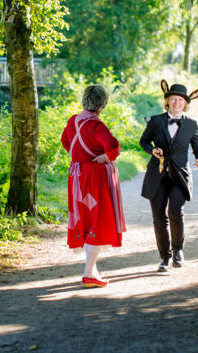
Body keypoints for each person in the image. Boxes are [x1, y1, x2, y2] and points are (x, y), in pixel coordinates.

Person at [61, 85, 126, 288]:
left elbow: (65, 141)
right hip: (95, 177)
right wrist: (106, 157)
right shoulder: (97, 126)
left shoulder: (74, 121)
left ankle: (92, 270)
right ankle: (89, 272)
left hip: (77, 175)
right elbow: (113, 146)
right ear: (103, 105)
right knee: (98, 218)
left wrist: (80, 156)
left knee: (87, 218)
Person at [139, 80, 198, 272]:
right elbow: (143, 141)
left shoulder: (191, 125)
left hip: (179, 176)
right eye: (173, 99)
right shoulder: (155, 120)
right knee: (159, 217)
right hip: (157, 175)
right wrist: (152, 150)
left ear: (185, 103)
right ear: (167, 101)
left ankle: (178, 252)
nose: (177, 103)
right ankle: (165, 258)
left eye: (180, 100)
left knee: (175, 212)